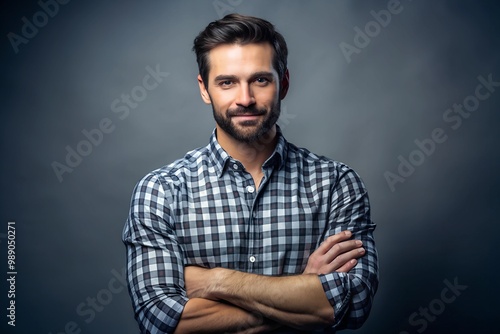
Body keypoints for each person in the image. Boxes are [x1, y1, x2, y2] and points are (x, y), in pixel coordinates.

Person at [122, 13, 378, 334]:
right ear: (205, 90)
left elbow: (351, 305)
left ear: (283, 83)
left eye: (260, 80)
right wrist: (303, 290)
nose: (245, 99)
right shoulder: (160, 190)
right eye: (227, 82)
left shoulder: (337, 185)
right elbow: (160, 320)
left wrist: (217, 281)